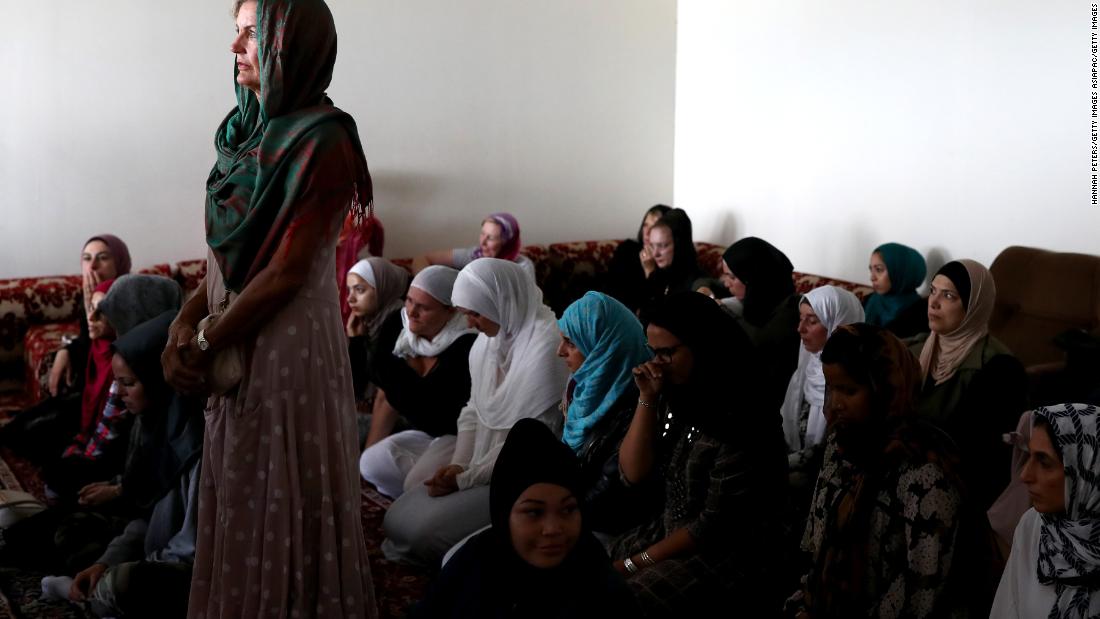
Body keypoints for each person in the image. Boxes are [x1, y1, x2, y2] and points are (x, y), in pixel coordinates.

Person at [161, 0, 376, 615]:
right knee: (238, 490)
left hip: (285, 348)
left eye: (252, 34)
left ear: (292, 42)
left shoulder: (323, 138)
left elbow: (284, 274)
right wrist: (183, 321)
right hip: (232, 328)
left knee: (277, 487)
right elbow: (225, 262)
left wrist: (202, 343)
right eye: (236, 33)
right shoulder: (244, 131)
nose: (235, 49)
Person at [609, 292, 788, 617]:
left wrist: (638, 561)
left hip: (729, 552)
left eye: (667, 353)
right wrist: (646, 398)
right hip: (673, 531)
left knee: (631, 597)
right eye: (653, 352)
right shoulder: (676, 392)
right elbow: (632, 474)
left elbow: (712, 527)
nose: (656, 364)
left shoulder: (743, 415)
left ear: (704, 346)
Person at [381, 258, 569, 567]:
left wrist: (467, 479)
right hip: (479, 464)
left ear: (502, 303)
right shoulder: (488, 343)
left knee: (417, 532)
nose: (469, 324)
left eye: (475, 313)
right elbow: (472, 411)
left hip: (521, 475)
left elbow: (529, 444)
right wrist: (458, 465)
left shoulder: (547, 348)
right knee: (397, 517)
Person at [790, 323, 971, 618]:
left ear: (884, 388)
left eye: (848, 390)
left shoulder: (925, 472)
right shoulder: (844, 445)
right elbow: (820, 548)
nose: (834, 404)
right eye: (831, 388)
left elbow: (918, 591)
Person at [409, 418, 640, 618]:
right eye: (534, 512)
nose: (552, 528)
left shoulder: (598, 583)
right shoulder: (477, 559)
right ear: (504, 514)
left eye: (568, 510)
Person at [60, 311, 203, 619]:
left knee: (120, 585)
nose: (118, 393)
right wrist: (107, 562)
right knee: (85, 555)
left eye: (127, 383)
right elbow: (144, 516)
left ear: (157, 380)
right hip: (152, 551)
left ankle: (96, 598)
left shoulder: (195, 449)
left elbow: (190, 549)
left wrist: (130, 569)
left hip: (183, 571)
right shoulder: (154, 427)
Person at [909, 259, 1028, 510]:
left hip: (951, 481)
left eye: (949, 295)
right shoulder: (916, 350)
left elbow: (978, 456)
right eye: (932, 291)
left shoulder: (999, 369)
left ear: (975, 305)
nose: (933, 302)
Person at [358, 265, 477, 499]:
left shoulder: (467, 345)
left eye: (423, 307)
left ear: (451, 311)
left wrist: (408, 375)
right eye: (409, 301)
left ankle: (425, 504)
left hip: (460, 434)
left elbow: (445, 413)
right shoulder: (397, 327)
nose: (411, 312)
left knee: (418, 484)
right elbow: (385, 394)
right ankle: (415, 500)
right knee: (370, 463)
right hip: (425, 432)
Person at [990, 403, 1100, 618]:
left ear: (1086, 470)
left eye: (1044, 462)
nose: (1025, 475)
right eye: (1029, 456)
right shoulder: (1034, 526)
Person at [556, 291, 653, 534]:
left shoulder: (638, 403)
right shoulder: (582, 386)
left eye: (571, 342)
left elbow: (607, 497)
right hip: (567, 507)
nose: (559, 351)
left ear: (602, 348)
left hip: (602, 526)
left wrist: (552, 513)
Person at [779, 286, 864, 488]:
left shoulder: (853, 386)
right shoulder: (805, 371)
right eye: (801, 318)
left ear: (837, 325)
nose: (800, 329)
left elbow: (830, 453)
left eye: (812, 320)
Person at [720, 236, 802, 411]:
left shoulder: (792, 310)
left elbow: (758, 342)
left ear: (753, 277)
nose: (726, 283)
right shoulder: (757, 300)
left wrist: (723, 311)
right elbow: (707, 284)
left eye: (732, 277)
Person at [48, 234, 133, 398]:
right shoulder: (86, 296)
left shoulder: (133, 297)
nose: (92, 266)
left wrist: (95, 308)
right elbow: (88, 342)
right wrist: (66, 351)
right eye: (87, 258)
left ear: (120, 262)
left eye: (103, 258)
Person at [344, 256, 410, 399]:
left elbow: (361, 389)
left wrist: (357, 342)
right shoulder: (370, 323)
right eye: (349, 290)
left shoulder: (399, 324)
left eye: (359, 290)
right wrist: (356, 339)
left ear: (382, 287)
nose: (350, 299)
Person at [412, 212, 536, 279]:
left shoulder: (522, 267)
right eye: (482, 234)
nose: (482, 242)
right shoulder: (474, 255)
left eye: (491, 238)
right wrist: (428, 285)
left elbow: (526, 306)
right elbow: (421, 258)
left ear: (507, 243)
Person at [603, 204, 672, 312]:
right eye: (645, 225)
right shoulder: (628, 249)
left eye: (654, 226)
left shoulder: (667, 258)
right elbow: (615, 291)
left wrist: (650, 271)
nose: (647, 232)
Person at [638, 209, 703, 319]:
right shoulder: (658, 273)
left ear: (680, 245)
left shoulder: (696, 282)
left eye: (662, 245)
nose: (655, 253)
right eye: (652, 246)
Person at [864, 242, 928, 338]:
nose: (872, 278)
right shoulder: (869, 300)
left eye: (879, 270)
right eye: (871, 270)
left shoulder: (920, 313)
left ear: (901, 271)